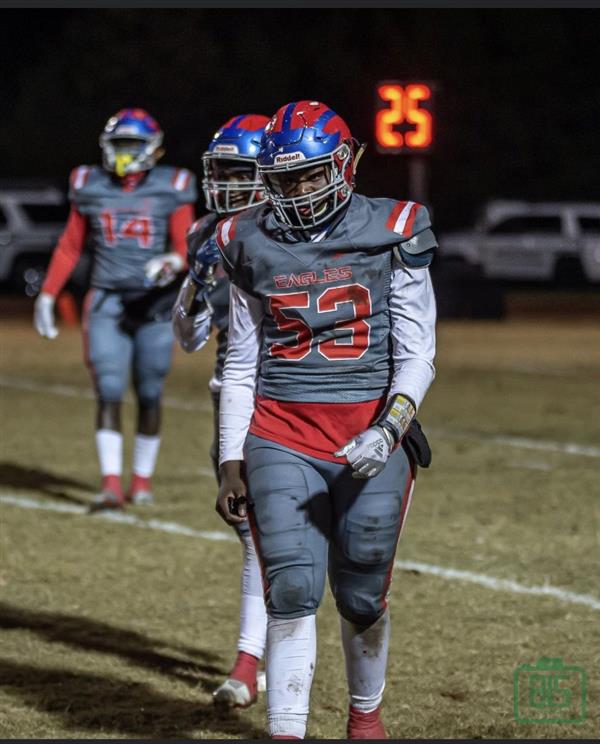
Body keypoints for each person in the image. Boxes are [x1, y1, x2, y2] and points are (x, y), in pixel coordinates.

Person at [211, 100, 436, 739]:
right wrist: (231, 460)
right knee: (292, 587)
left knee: (362, 591)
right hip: (280, 433)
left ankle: (364, 715)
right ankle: (287, 732)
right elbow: (242, 361)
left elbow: (419, 352)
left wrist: (389, 428)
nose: (299, 191)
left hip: (370, 429)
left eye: (310, 175)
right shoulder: (243, 237)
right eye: (285, 179)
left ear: (344, 164)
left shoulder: (395, 225)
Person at [33, 108, 197, 509]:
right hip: (106, 299)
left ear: (153, 149)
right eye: (118, 144)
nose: (124, 154)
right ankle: (111, 482)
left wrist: (173, 263)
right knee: (108, 389)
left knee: (150, 392)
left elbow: (186, 247)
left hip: (154, 305)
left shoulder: (172, 185)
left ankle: (140, 480)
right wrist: (49, 293)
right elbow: (71, 244)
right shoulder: (89, 183)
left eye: (132, 145)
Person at [172, 114, 271, 708]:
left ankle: (250, 661)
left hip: (294, 391)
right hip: (229, 393)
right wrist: (193, 286)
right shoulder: (206, 233)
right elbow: (188, 337)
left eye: (241, 172)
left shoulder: (293, 232)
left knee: (268, 535)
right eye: (222, 172)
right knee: (251, 530)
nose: (227, 184)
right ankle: (258, 656)